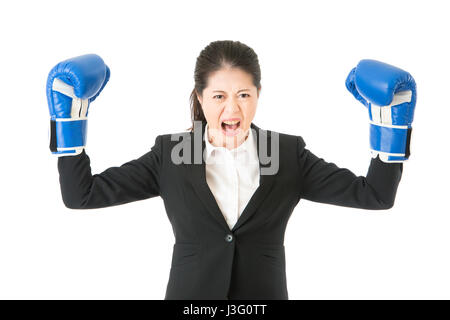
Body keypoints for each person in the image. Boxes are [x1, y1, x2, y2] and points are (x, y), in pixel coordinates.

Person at [46, 40, 416, 299]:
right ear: (200, 97)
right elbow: (82, 195)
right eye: (219, 96)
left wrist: (391, 130)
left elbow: (376, 195)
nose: (232, 110)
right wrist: (71, 124)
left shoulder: (286, 153)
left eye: (244, 95)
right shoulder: (173, 152)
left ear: (258, 94)